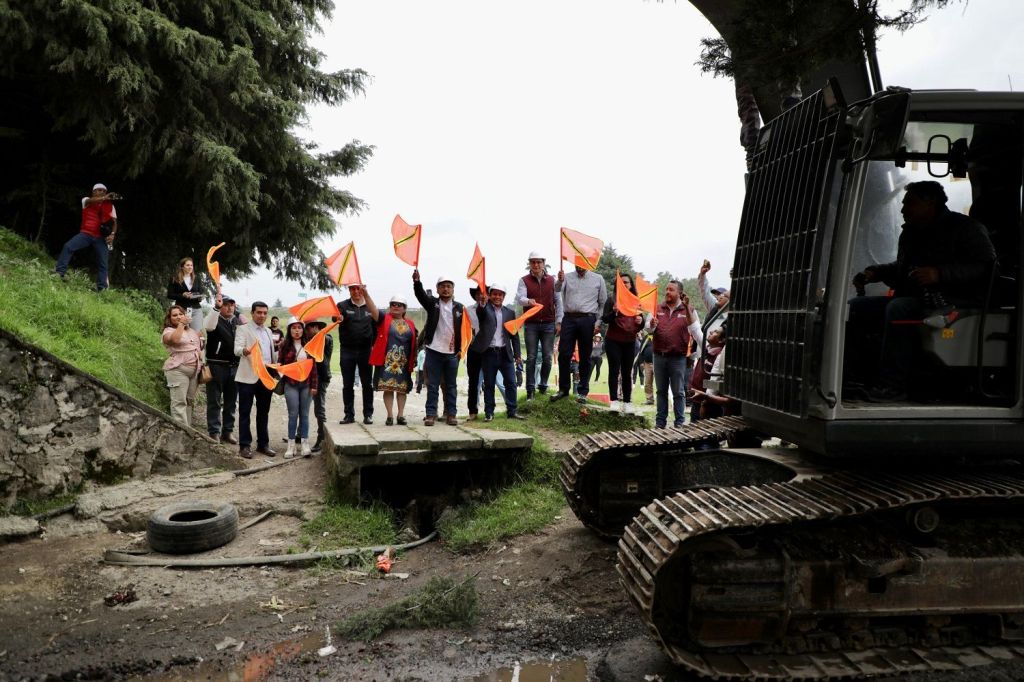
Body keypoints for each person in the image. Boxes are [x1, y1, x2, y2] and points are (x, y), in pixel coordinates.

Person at [849, 181, 997, 401]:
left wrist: (940, 274)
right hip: (919, 298)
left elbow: (987, 267)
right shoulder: (912, 233)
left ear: (931, 203)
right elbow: (903, 269)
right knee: (857, 308)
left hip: (955, 301)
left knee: (899, 308)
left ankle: (892, 387)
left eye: (910, 203)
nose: (903, 209)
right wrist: (875, 273)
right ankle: (859, 377)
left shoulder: (966, 228)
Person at [647, 281, 703, 429]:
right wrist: (651, 325)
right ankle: (660, 423)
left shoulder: (689, 309)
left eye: (671, 290)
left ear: (680, 293)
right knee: (660, 391)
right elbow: (648, 329)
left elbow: (696, 331)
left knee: (678, 391)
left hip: (678, 357)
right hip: (658, 356)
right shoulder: (656, 308)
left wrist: (693, 356)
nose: (667, 292)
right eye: (666, 289)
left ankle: (679, 423)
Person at [413, 270, 466, 426]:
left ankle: (451, 414)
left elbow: (466, 329)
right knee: (432, 385)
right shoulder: (432, 304)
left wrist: (460, 349)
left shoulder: (460, 308)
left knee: (451, 386)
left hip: (452, 353)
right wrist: (417, 282)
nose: (445, 289)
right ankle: (430, 414)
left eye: (449, 286)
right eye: (442, 286)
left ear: (453, 289)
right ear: (437, 289)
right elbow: (420, 295)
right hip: (434, 350)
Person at [469, 283, 523, 421]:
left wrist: (518, 355)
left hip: (506, 353)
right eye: (494, 294)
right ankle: (489, 412)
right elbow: (480, 312)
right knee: (489, 384)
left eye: (500, 294)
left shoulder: (510, 313)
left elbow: (514, 335)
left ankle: (512, 411)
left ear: (504, 297)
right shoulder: (485, 309)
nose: (497, 297)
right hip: (489, 352)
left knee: (511, 382)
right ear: (490, 295)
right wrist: (482, 303)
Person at [552, 265, 607, 404]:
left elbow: (602, 303)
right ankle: (563, 390)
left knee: (585, 356)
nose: (579, 266)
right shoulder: (567, 277)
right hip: (569, 318)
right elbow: (556, 289)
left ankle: (582, 392)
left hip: (588, 319)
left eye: (583, 263)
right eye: (577, 263)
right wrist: (559, 280)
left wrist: (598, 322)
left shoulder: (598, 279)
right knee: (564, 353)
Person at [515, 252, 563, 399]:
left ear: (543, 263)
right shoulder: (524, 280)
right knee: (531, 357)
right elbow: (520, 298)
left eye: (538, 262)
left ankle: (542, 385)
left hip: (549, 323)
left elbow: (558, 300)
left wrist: (559, 321)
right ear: (529, 263)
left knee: (548, 357)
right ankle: (530, 390)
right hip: (531, 324)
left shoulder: (552, 280)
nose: (536, 265)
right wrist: (529, 301)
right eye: (533, 262)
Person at [55, 183, 119, 292]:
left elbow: (114, 223)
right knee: (68, 246)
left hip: (100, 237)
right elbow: (91, 201)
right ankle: (59, 272)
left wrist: (112, 234)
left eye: (104, 191)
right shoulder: (86, 200)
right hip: (86, 233)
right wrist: (104, 198)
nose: (102, 192)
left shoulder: (110, 206)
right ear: (93, 192)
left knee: (103, 262)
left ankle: (102, 288)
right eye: (99, 190)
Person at [234, 301, 278, 459]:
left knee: (263, 412)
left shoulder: (267, 331)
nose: (262, 315)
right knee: (245, 412)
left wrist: (276, 367)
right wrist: (245, 351)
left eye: (265, 313)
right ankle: (244, 446)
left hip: (265, 376)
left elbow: (271, 353)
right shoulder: (242, 329)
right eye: (259, 312)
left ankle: (263, 444)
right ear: (252, 313)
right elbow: (236, 349)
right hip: (247, 377)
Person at [370, 295, 418, 425]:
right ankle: (390, 416)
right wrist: (365, 293)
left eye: (399, 305)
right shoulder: (383, 319)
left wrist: (414, 359)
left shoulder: (411, 324)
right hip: (387, 362)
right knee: (388, 388)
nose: (395, 307)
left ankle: (400, 415)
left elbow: (414, 342)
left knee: (402, 389)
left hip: (404, 362)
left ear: (404, 309)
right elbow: (372, 308)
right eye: (393, 304)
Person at [336, 284, 380, 425]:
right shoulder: (342, 305)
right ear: (349, 291)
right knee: (347, 384)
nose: (356, 291)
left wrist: (374, 346)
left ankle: (368, 414)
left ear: (363, 290)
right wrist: (338, 318)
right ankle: (349, 415)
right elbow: (335, 318)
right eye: (352, 289)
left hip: (366, 351)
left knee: (367, 384)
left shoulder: (370, 306)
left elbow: (376, 327)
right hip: (347, 350)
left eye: (358, 288)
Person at [602, 273, 645, 413]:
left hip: (630, 341)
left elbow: (640, 323)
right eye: (621, 282)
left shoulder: (636, 301)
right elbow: (605, 319)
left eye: (626, 282)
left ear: (631, 285)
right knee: (614, 370)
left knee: (627, 372)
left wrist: (641, 322)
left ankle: (627, 401)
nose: (624, 284)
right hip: (613, 340)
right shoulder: (611, 299)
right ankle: (614, 400)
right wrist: (614, 312)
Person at [277, 318, 318, 457]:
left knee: (305, 414)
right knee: (293, 414)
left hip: (306, 384)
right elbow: (280, 364)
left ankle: (305, 444)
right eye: (293, 328)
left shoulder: (309, 345)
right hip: (291, 384)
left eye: (299, 327)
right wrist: (281, 370)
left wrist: (314, 385)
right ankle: (291, 445)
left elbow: (313, 366)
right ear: (289, 329)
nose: (297, 330)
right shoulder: (284, 345)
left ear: (303, 329)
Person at [204, 293, 242, 444]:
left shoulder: (236, 322)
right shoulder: (214, 319)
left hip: (234, 366)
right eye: (226, 304)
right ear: (220, 306)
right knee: (214, 400)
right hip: (216, 365)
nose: (229, 307)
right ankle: (214, 431)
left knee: (231, 401)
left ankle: (228, 431)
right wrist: (216, 308)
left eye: (232, 305)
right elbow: (207, 326)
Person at [161, 305, 202, 428]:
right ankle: (180, 432)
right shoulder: (168, 331)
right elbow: (175, 340)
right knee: (179, 403)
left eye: (181, 314)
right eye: (175, 315)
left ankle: (188, 431)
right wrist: (180, 325)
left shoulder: (191, 331)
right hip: (178, 370)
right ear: (170, 318)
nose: (178, 316)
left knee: (189, 402)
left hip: (194, 371)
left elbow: (198, 348)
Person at [305, 319, 333, 453]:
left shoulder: (325, 338)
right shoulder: (309, 340)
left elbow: (325, 339)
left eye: (308, 328)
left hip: (321, 378)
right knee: (303, 407)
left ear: (316, 327)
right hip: (310, 377)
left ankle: (322, 438)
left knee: (319, 409)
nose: (306, 331)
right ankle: (300, 434)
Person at [465, 286, 489, 421]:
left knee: (491, 381)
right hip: (474, 348)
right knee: (473, 382)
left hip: (489, 349)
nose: (481, 296)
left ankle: (489, 410)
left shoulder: (492, 309)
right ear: (475, 296)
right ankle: (473, 411)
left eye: (484, 293)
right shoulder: (468, 311)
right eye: (479, 293)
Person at [167, 257, 205, 333]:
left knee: (196, 333)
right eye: (187, 265)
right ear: (182, 267)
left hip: (196, 309)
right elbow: (170, 295)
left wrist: (199, 297)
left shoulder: (197, 278)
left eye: (191, 265)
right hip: (181, 310)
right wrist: (182, 295)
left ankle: (197, 345)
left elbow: (201, 292)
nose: (190, 267)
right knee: (182, 333)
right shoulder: (174, 279)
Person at [635, 332, 655, 405]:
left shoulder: (660, 335)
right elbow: (641, 351)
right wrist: (641, 363)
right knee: (647, 383)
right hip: (647, 364)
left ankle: (662, 401)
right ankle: (649, 399)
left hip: (658, 363)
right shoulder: (646, 338)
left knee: (661, 384)